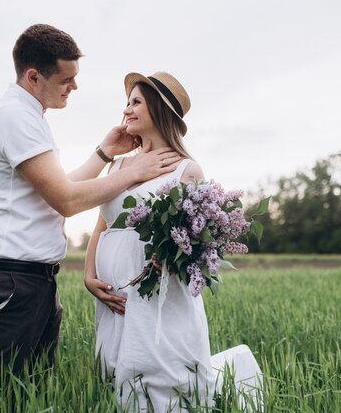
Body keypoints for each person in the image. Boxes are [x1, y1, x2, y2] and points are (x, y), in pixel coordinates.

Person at [0, 25, 180, 409]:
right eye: (66, 79)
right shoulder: (14, 116)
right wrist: (133, 171)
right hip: (11, 283)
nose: (74, 88)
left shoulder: (28, 116)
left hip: (33, 282)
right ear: (33, 76)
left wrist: (103, 153)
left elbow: (54, 191)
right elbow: (66, 200)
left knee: (28, 396)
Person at [85, 71, 263, 412]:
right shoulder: (118, 166)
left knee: (161, 371)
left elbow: (200, 244)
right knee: (115, 369)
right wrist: (88, 275)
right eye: (127, 102)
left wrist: (168, 257)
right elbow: (101, 226)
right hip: (115, 291)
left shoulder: (185, 169)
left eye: (136, 102)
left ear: (158, 110)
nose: (127, 110)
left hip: (158, 292)